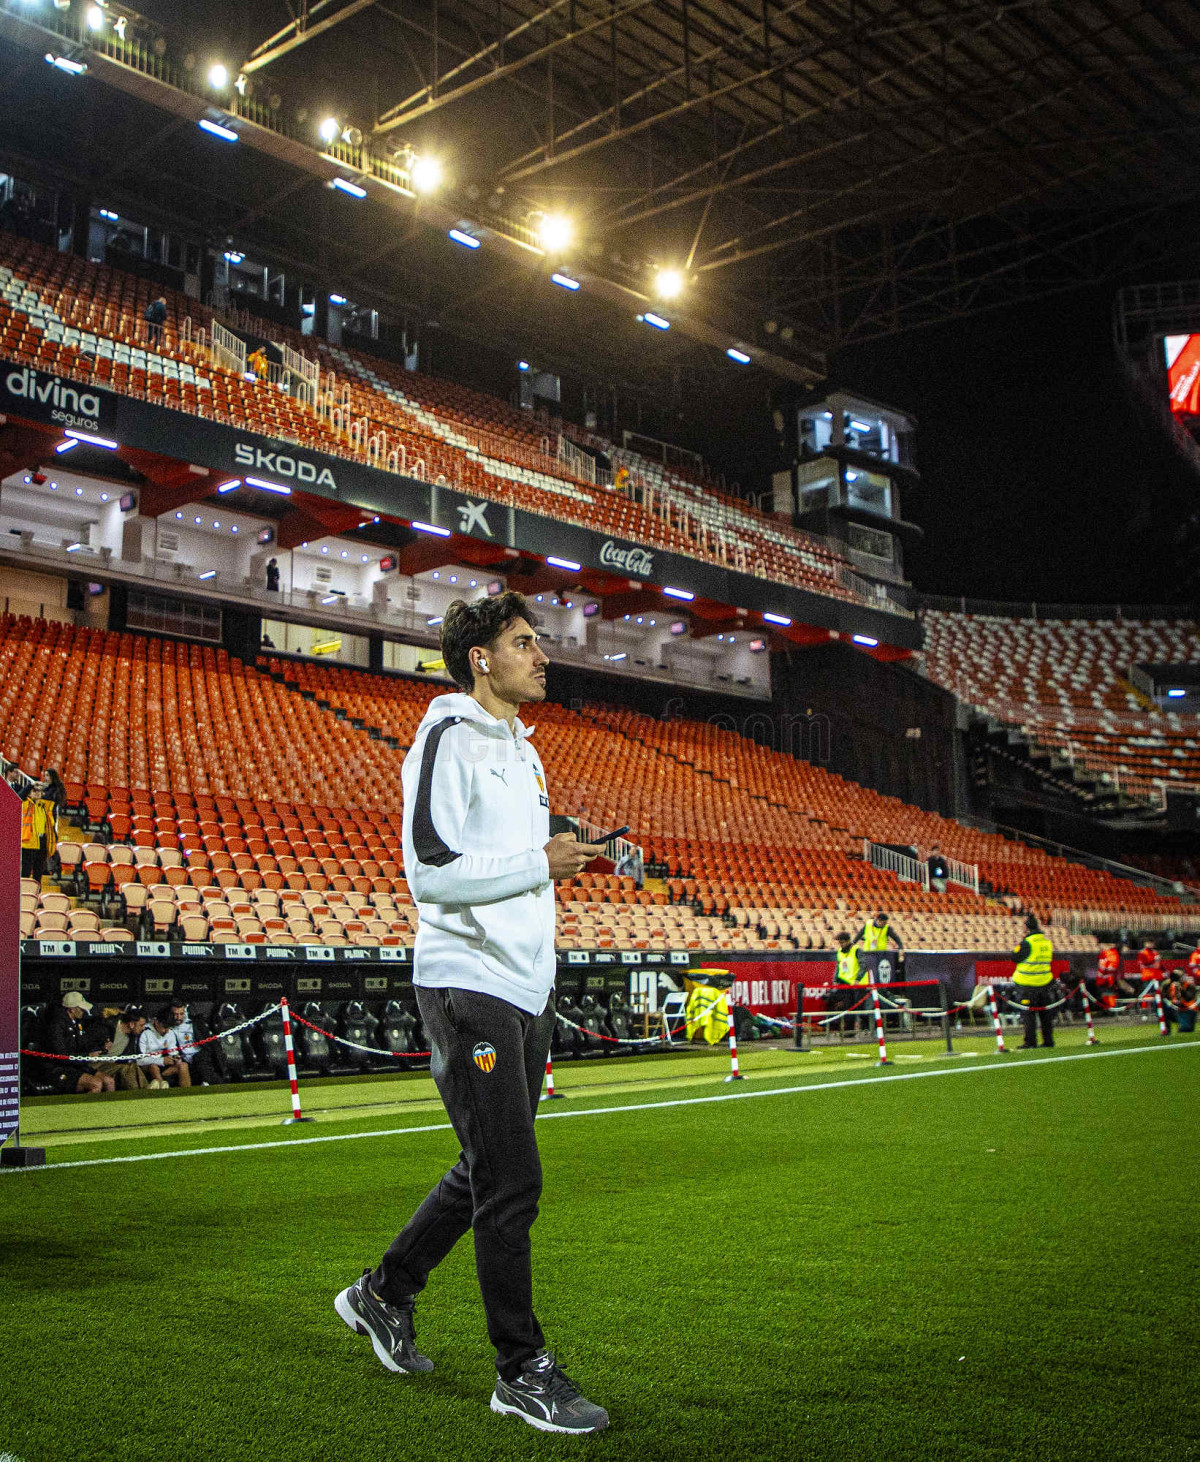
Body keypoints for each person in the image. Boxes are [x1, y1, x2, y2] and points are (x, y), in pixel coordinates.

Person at [333, 590, 610, 1434]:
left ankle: (384, 1292)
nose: (543, 654)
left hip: (527, 985)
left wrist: (555, 860)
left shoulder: (526, 752)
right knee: (512, 1178)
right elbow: (430, 873)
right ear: (481, 659)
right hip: (467, 981)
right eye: (525, 642)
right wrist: (539, 861)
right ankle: (519, 1369)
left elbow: (513, 863)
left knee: (488, 1165)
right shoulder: (446, 738)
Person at [40, 993, 116, 1094]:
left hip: (77, 1066)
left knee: (109, 1081)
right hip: (58, 1069)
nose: (84, 1011)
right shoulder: (56, 1026)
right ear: (71, 1009)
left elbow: (84, 1045)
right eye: (81, 1008)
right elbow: (62, 1056)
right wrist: (87, 1056)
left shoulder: (77, 1023)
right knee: (96, 1084)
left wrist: (102, 1047)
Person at [1012, 914, 1056, 1049]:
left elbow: (1014, 957)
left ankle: (1030, 1042)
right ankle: (1048, 1041)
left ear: (1027, 928)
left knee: (1029, 1015)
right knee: (1045, 1014)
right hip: (1045, 982)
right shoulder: (1047, 943)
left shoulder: (1027, 943)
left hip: (1027, 984)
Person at [169, 1001, 224, 1084]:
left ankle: (219, 1085)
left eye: (181, 1014)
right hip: (183, 1057)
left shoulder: (195, 1023)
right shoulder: (168, 1027)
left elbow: (208, 1042)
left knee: (201, 1062)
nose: (178, 1017)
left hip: (200, 1054)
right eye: (175, 1014)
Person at [138, 1007, 191, 1090]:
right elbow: (140, 1060)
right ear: (156, 1022)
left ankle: (187, 1093)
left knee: (183, 1066)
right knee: (153, 1067)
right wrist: (161, 1061)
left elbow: (173, 1051)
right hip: (148, 1065)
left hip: (164, 1066)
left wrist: (176, 1059)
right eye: (164, 1027)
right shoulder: (144, 1033)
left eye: (168, 1027)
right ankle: (162, 1089)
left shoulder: (170, 1033)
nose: (166, 1030)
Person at [100, 1008, 149, 1091]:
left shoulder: (133, 1036)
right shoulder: (108, 1028)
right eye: (141, 1025)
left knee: (132, 1066)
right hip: (98, 1064)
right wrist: (102, 1047)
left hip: (115, 1064)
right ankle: (142, 1091)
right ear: (131, 1024)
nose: (143, 1028)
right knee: (127, 1068)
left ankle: (144, 1089)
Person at [832, 930, 869, 1035]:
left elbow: (863, 966)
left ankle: (867, 1027)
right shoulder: (840, 952)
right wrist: (835, 980)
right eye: (839, 943)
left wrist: (858, 979)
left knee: (860, 1008)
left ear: (848, 941)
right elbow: (838, 967)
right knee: (847, 1007)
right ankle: (849, 1031)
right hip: (845, 983)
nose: (841, 945)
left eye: (843, 942)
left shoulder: (857, 950)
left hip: (858, 985)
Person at [19, 782, 49, 881]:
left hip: (41, 841)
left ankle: (37, 890)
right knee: (26, 871)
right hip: (28, 842)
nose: (37, 793)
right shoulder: (25, 803)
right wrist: (31, 785)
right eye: (34, 791)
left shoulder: (43, 805)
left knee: (38, 871)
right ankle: (25, 890)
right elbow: (20, 796)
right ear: (29, 793)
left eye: (39, 791)